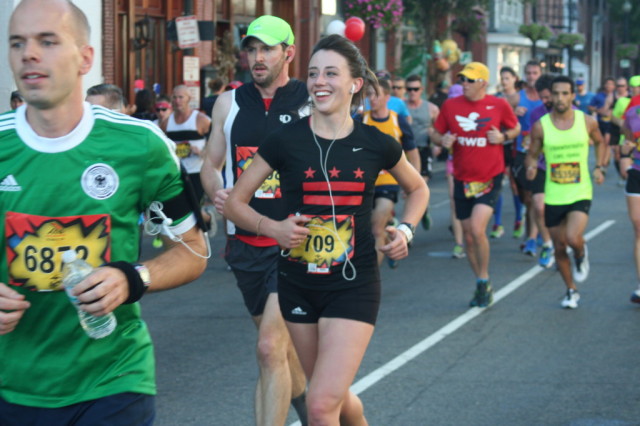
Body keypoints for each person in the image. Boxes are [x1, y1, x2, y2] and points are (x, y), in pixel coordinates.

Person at [0, 0, 207, 423]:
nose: (29, 54)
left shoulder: (141, 145)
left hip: (114, 380)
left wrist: (135, 277)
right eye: (17, 42)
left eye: (47, 41)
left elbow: (194, 249)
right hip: (14, 385)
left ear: (85, 58)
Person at [223, 33, 428, 426]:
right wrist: (274, 229)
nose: (319, 82)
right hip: (297, 282)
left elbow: (417, 188)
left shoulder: (376, 142)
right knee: (328, 394)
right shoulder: (284, 140)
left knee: (318, 407)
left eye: (331, 73)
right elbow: (235, 202)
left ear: (355, 84)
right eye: (313, 73)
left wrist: (405, 230)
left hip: (354, 282)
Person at [200, 15, 309, 426]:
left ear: (289, 53)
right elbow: (211, 165)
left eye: (267, 49)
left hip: (295, 243)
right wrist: (216, 192)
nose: (257, 58)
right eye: (251, 49)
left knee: (267, 348)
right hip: (245, 245)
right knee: (280, 354)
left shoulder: (309, 101)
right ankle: (316, 409)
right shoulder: (228, 103)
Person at [433, 62, 520, 307]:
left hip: (489, 178)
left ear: (483, 82)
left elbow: (516, 128)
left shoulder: (499, 104)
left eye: (470, 80)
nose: (465, 84)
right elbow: (435, 133)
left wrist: (503, 137)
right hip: (462, 178)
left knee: (477, 229)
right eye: (463, 79)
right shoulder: (451, 105)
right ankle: (481, 280)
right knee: (468, 238)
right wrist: (443, 139)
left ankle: (483, 278)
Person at [527, 76, 605, 309]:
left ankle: (580, 253)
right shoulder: (541, 126)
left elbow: (600, 143)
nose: (560, 98)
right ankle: (571, 290)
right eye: (556, 93)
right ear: (550, 96)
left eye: (565, 93)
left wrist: (599, 167)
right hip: (553, 193)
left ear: (573, 95)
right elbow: (531, 153)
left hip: (580, 190)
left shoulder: (587, 122)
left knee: (572, 238)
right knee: (559, 247)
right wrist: (531, 166)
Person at [358, 78, 420, 268]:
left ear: (387, 97)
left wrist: (413, 185)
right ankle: (389, 242)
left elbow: (413, 153)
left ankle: (371, 277)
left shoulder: (397, 120)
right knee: (364, 230)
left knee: (376, 227)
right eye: (369, 94)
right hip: (364, 182)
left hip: (389, 181)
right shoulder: (360, 120)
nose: (372, 99)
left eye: (376, 94)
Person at [526, 74, 564, 269]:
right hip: (541, 166)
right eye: (542, 97)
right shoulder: (536, 114)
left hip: (564, 169)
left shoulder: (572, 113)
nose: (545, 101)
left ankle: (562, 246)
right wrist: (530, 162)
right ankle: (547, 244)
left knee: (562, 214)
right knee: (539, 206)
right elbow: (532, 144)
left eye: (548, 96)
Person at [161, 84, 212, 215]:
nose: (177, 101)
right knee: (180, 211)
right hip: (176, 172)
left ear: (189, 99)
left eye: (181, 97)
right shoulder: (167, 123)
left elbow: (216, 143)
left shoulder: (201, 120)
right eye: (174, 97)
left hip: (197, 172)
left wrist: (202, 152)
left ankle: (207, 220)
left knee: (195, 210)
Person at [510, 60, 543, 255]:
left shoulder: (546, 97)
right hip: (521, 152)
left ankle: (533, 237)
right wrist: (514, 115)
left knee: (534, 196)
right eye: (529, 73)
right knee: (526, 198)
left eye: (535, 72)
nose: (531, 76)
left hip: (541, 153)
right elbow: (502, 121)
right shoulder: (516, 98)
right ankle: (533, 230)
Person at [491, 66, 524, 239]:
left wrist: (517, 112)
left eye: (507, 78)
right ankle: (497, 223)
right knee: (497, 182)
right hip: (497, 144)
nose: (504, 81)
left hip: (513, 144)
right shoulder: (496, 99)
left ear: (514, 79)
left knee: (514, 183)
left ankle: (519, 219)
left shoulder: (520, 98)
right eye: (502, 78)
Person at [405, 74, 440, 229]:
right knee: (408, 189)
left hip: (423, 150)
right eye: (409, 89)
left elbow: (438, 129)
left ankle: (421, 212)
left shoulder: (431, 108)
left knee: (420, 184)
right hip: (404, 152)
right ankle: (410, 221)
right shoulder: (401, 106)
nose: (412, 92)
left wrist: (437, 144)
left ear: (421, 90)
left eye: (415, 89)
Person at [620, 77, 640, 303]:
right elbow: (626, 138)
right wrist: (625, 154)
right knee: (638, 228)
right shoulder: (634, 111)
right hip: (637, 173)